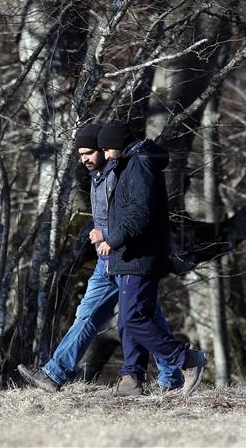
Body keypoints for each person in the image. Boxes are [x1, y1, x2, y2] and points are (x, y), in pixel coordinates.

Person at [17, 124, 183, 393]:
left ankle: (175, 372)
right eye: (81, 154)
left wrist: (106, 235)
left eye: (90, 152)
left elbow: (134, 214)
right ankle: (54, 373)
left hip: (126, 256)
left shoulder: (121, 171)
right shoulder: (98, 175)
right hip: (107, 261)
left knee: (142, 319)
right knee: (93, 315)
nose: (85, 159)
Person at [95, 121, 208, 397]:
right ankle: (131, 380)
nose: (106, 155)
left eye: (108, 148)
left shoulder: (139, 165)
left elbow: (140, 214)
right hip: (131, 256)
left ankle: (187, 360)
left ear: (119, 144)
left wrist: (113, 240)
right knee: (127, 320)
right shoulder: (130, 163)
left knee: (134, 318)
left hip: (140, 256)